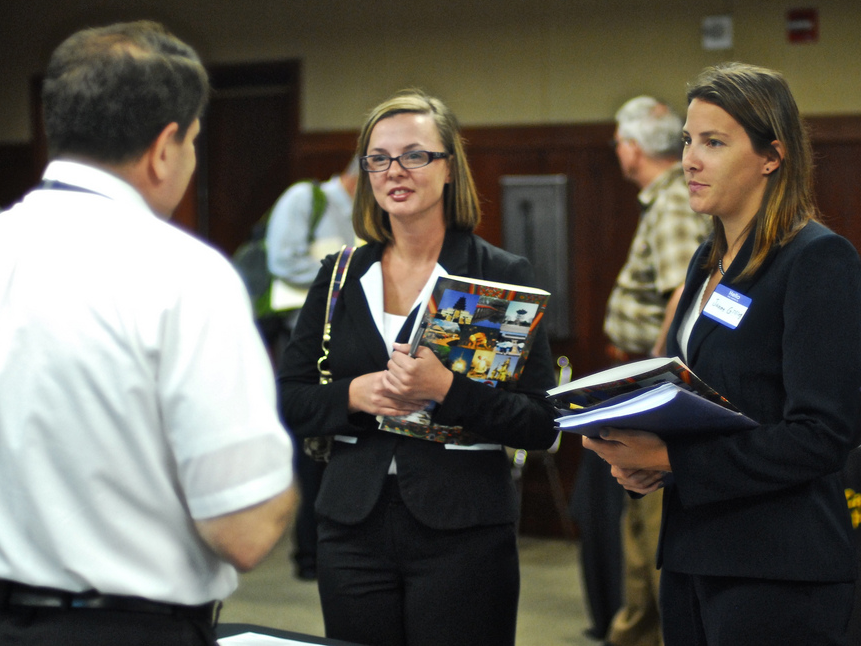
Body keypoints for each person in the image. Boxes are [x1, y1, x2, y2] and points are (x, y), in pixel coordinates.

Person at [0, 21, 298, 646]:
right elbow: (243, 532)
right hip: (126, 630)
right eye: (193, 141)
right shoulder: (183, 275)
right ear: (165, 147)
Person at [584, 62, 861, 646]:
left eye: (713, 142)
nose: (690, 159)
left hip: (780, 567)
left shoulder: (817, 260)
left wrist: (671, 461)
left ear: (772, 155)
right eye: (688, 140)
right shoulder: (709, 262)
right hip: (692, 554)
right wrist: (642, 462)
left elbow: (822, 434)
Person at [277, 88, 559, 646]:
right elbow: (290, 399)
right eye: (378, 158)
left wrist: (446, 389)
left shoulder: (498, 275)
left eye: (415, 155)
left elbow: (539, 422)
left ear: (449, 166)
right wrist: (355, 394)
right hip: (351, 527)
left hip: (465, 528)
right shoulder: (337, 275)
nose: (394, 171)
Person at [600, 96, 711, 646]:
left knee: (651, 542)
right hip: (644, 383)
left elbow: (678, 299)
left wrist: (653, 392)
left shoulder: (670, 204)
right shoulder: (664, 199)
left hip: (653, 389)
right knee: (639, 536)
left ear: (632, 147)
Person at [264, 158, 359, 582]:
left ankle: (323, 549)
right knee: (309, 447)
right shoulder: (307, 198)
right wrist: (344, 276)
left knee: (332, 448)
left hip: (342, 342)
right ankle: (308, 556)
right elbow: (282, 261)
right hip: (301, 340)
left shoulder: (367, 215)